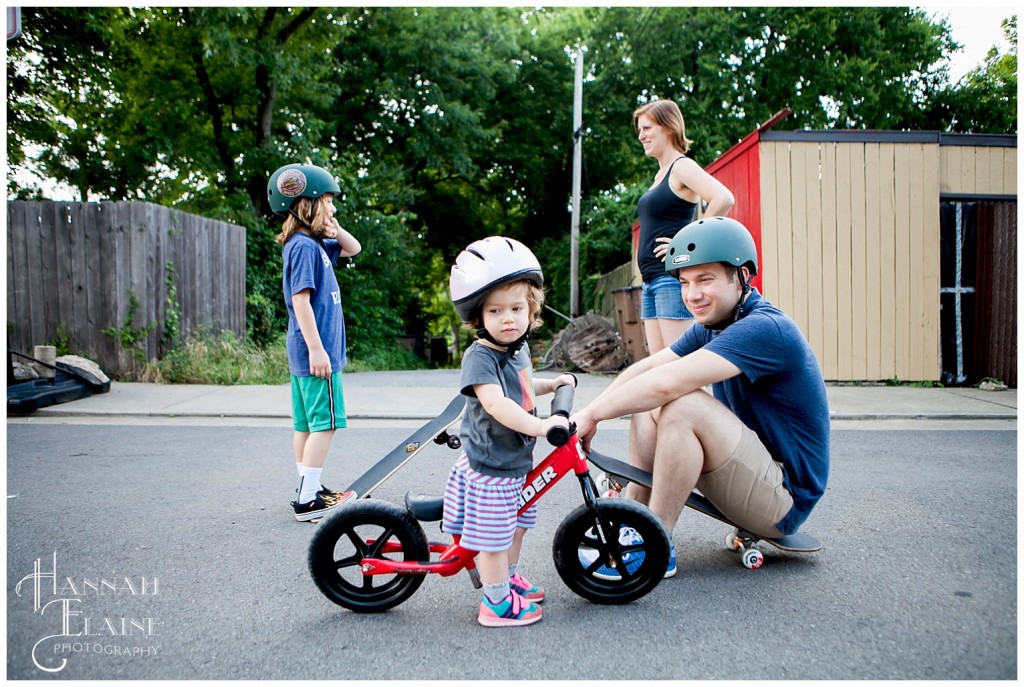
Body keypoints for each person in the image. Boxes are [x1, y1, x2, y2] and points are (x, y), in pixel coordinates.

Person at [573, 217, 829, 577]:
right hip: (750, 475)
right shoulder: (713, 325)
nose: (692, 294)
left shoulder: (764, 328)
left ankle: (655, 543)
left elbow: (667, 384)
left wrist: (595, 417)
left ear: (741, 276)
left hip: (783, 498)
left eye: (705, 279)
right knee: (652, 405)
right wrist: (584, 414)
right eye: (684, 282)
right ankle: (635, 522)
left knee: (681, 404)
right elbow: (647, 371)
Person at [444, 236, 575, 627]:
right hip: (491, 466)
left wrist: (551, 386)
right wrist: (541, 424)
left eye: (517, 308)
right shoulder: (480, 356)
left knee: (517, 523)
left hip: (515, 462)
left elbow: (520, 384)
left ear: (530, 309)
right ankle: (495, 602)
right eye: (496, 310)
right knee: (493, 538)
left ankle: (508, 576)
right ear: (477, 316)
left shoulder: (516, 349)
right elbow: (497, 403)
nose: (508, 319)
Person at [268, 163, 362, 522]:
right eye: (327, 202)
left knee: (305, 425)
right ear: (306, 206)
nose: (334, 208)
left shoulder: (310, 243)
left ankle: (309, 486)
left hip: (304, 352)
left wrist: (335, 229)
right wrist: (318, 349)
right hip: (316, 353)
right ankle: (309, 501)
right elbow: (300, 301)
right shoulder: (305, 248)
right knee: (327, 423)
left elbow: (353, 248)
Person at [633, 99, 735, 353]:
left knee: (680, 369)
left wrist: (687, 242)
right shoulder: (659, 176)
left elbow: (723, 198)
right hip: (651, 280)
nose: (641, 136)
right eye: (639, 130)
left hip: (670, 279)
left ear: (668, 127)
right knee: (659, 372)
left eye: (647, 128)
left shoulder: (682, 166)